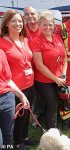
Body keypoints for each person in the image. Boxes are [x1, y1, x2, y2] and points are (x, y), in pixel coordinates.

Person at [0, 10, 36, 149]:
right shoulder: (1, 43)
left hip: (30, 84)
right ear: (7, 23)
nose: (18, 24)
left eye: (20, 21)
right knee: (16, 116)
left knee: (26, 114)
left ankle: (24, 138)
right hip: (14, 87)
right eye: (14, 21)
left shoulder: (24, 40)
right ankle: (17, 143)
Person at [30, 11, 67, 130]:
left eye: (50, 24)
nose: (48, 27)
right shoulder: (36, 42)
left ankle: (54, 125)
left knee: (59, 102)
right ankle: (52, 132)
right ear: (39, 25)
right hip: (44, 81)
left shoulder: (57, 38)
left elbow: (65, 58)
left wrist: (64, 75)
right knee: (52, 106)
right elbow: (39, 65)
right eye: (45, 24)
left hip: (59, 78)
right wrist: (56, 79)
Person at [0, 49, 29, 149]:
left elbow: (7, 79)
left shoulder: (1, 53)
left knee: (8, 136)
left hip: (6, 99)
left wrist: (21, 96)